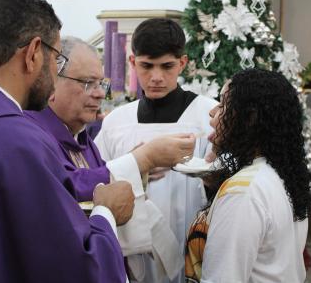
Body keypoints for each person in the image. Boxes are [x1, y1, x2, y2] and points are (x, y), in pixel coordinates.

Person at [0, 0, 134, 283]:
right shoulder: (18, 141)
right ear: (34, 53)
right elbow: (79, 270)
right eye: (58, 59)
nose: (55, 72)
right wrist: (106, 213)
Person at [95, 18, 218, 283]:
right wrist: (136, 165)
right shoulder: (117, 122)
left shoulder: (207, 116)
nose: (156, 77)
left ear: (182, 63)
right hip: (131, 253)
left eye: (167, 66)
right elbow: (94, 181)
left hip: (193, 248)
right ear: (132, 62)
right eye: (146, 66)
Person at [24, 36, 196, 206]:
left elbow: (103, 179)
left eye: (101, 84)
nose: (100, 94)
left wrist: (138, 168)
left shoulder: (81, 138)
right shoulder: (30, 133)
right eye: (88, 83)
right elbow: (64, 188)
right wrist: (141, 159)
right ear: (52, 80)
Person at [184, 69, 311, 283]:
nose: (212, 111)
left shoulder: (242, 192)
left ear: (250, 118)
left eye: (224, 103)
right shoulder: (281, 172)